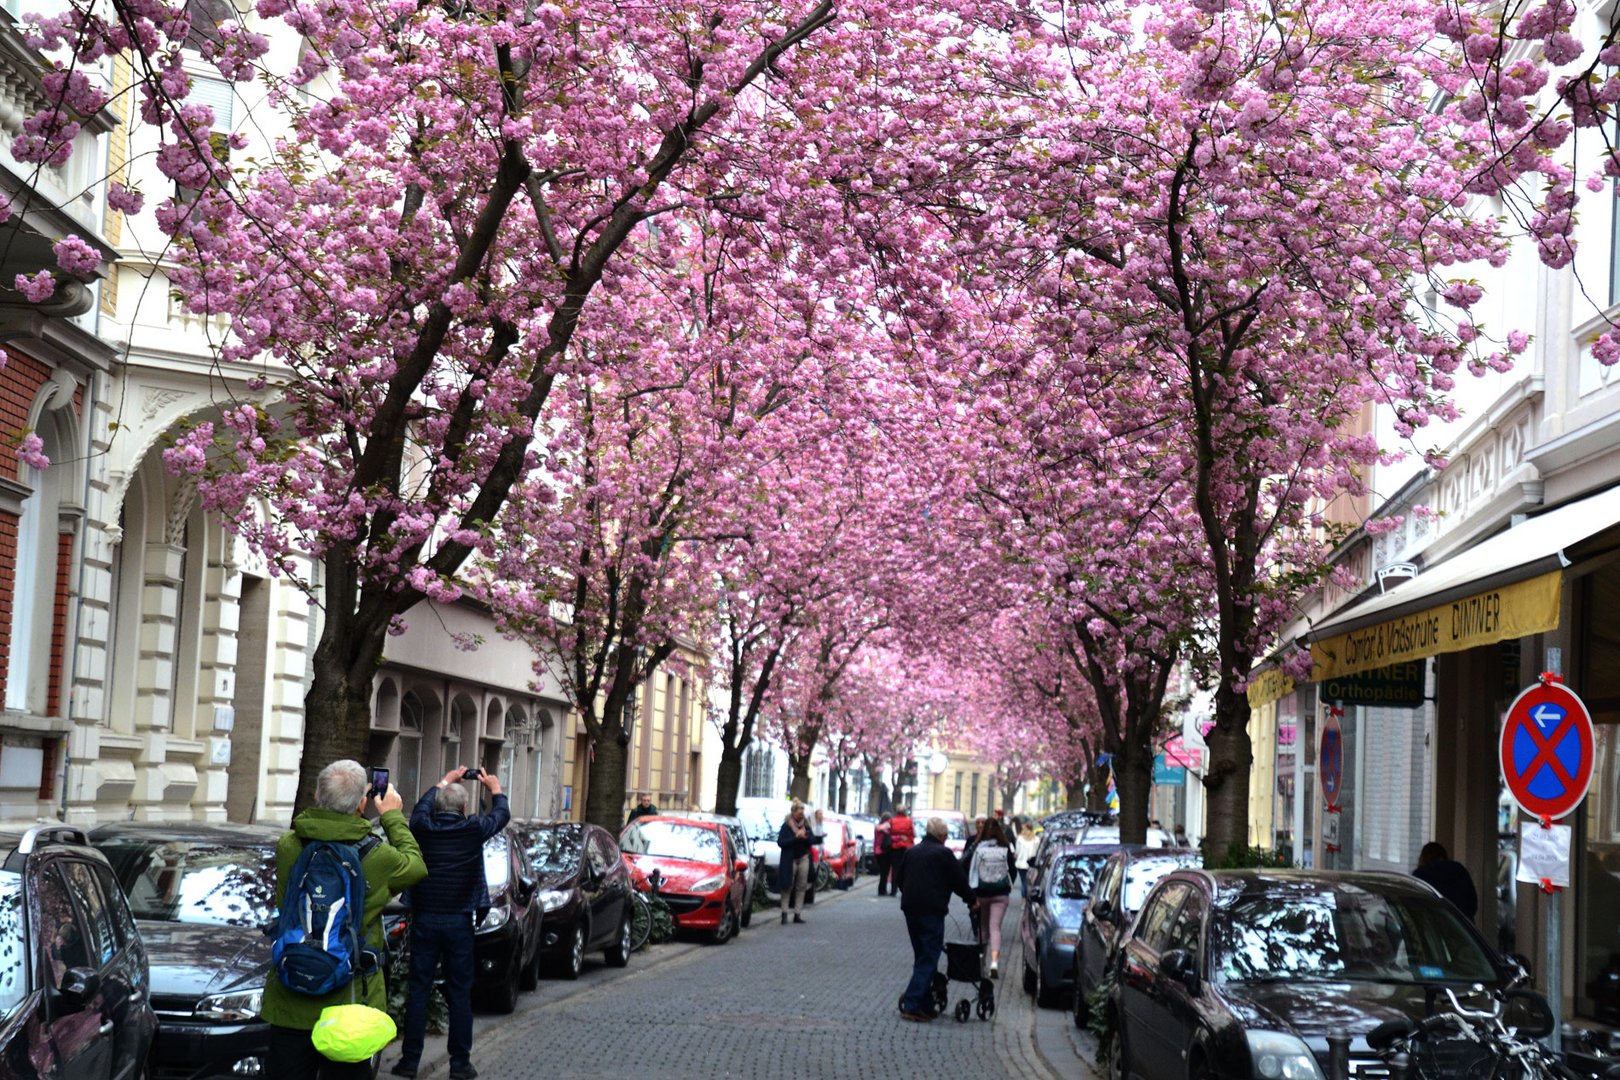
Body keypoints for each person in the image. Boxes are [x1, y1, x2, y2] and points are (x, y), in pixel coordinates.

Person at [264, 760, 426, 1080]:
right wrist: (392, 815)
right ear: (362, 804)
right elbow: (416, 866)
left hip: (290, 992)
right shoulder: (377, 856)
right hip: (351, 1003)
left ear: (315, 794)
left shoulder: (289, 846)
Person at [392, 767, 510, 1080]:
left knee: (418, 990)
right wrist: (495, 788)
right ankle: (460, 1064)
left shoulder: (423, 827)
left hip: (426, 919)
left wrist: (444, 780)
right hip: (459, 921)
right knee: (460, 993)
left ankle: (409, 1062)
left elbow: (418, 809)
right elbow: (502, 815)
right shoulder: (473, 829)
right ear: (463, 808)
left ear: (438, 807)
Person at [894, 818, 978, 1021]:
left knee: (922, 956)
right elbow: (959, 881)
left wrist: (910, 895)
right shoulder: (943, 854)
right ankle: (913, 1004)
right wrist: (972, 900)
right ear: (942, 836)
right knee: (929, 957)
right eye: (946, 835)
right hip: (931, 911)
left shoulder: (911, 852)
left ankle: (926, 1003)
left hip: (911, 909)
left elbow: (899, 879)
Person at [967, 818, 1014, 978]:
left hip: (982, 894)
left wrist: (973, 893)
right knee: (996, 929)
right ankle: (995, 962)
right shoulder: (1005, 848)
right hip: (1001, 894)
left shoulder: (979, 848)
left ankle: (982, 963)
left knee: (983, 929)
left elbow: (971, 870)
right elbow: (1012, 871)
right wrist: (1006, 885)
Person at [1413, 841, 1479, 920]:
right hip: (1462, 927)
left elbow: (1415, 908)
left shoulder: (1420, 876)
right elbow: (1472, 905)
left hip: (1433, 927)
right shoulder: (1459, 871)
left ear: (1423, 858)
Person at [777, 799, 818, 924]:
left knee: (801, 886)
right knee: (787, 886)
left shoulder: (806, 825)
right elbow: (781, 843)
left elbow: (812, 840)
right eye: (799, 813)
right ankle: (784, 913)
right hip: (790, 859)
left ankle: (797, 913)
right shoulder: (786, 826)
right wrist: (795, 838)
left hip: (803, 858)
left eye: (803, 813)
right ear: (793, 813)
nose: (801, 815)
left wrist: (805, 837)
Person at [887, 805, 915, 897]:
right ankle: (905, 890)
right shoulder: (909, 821)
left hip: (895, 848)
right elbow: (912, 834)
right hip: (906, 847)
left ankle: (893, 890)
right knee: (906, 870)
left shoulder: (892, 821)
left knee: (895, 869)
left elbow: (889, 834)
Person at [1013, 820, 1039, 898]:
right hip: (1032, 864)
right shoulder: (1036, 839)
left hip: (1021, 864)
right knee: (1031, 883)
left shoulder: (1020, 839)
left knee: (1024, 882)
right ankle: (1028, 899)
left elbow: (1017, 851)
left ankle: (1023, 900)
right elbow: (1037, 852)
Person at [874, 812, 894, 896]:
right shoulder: (887, 826)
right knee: (885, 872)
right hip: (885, 851)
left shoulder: (877, 826)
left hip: (877, 851)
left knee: (883, 872)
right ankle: (882, 890)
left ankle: (881, 889)